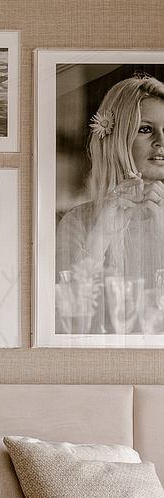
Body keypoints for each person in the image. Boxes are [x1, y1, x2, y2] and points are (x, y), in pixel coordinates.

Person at [55, 76, 164, 334]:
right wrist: (101, 235)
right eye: (146, 129)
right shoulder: (78, 222)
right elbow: (65, 322)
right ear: (117, 139)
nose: (161, 140)